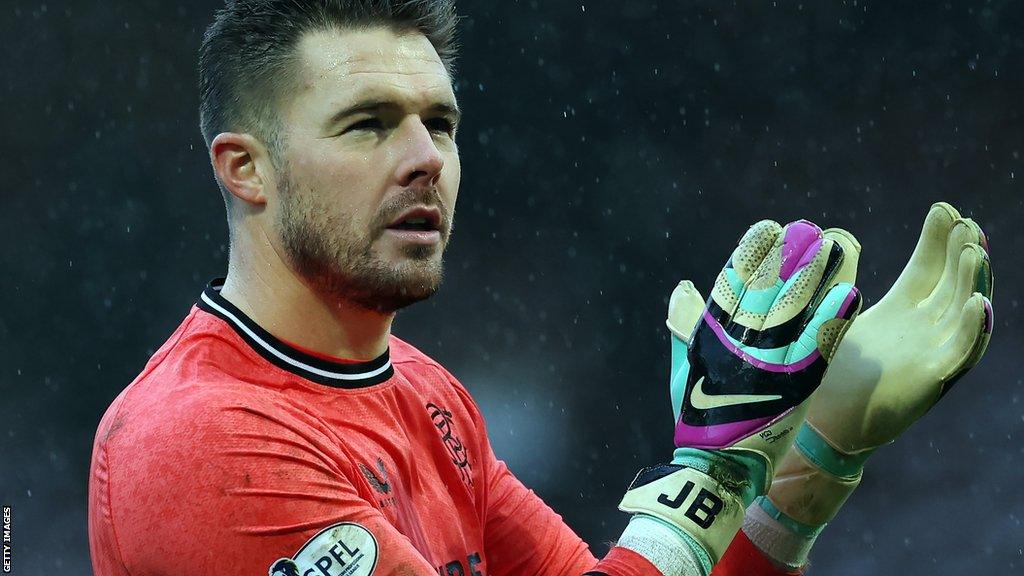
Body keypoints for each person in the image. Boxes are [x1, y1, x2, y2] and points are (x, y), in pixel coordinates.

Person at [87, 2, 995, 575]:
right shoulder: (200, 445)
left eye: (439, 125)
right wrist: (712, 470)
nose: (423, 161)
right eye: (367, 126)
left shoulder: (430, 397)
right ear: (247, 169)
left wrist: (805, 466)